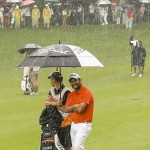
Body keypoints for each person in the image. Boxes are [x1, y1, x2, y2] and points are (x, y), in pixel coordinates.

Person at [58, 73, 94, 150]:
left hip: (84, 125)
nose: (73, 83)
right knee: (74, 148)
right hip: (74, 125)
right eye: (71, 82)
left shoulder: (86, 92)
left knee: (78, 147)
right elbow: (66, 110)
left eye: (75, 81)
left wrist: (72, 108)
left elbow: (80, 109)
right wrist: (73, 106)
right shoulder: (71, 95)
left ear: (80, 80)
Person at [45, 72, 72, 150]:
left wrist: (53, 102)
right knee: (57, 143)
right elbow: (46, 103)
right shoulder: (51, 90)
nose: (50, 81)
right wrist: (56, 103)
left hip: (66, 121)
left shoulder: (67, 92)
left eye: (51, 79)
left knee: (67, 145)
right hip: (55, 121)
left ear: (54, 80)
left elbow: (67, 108)